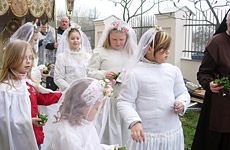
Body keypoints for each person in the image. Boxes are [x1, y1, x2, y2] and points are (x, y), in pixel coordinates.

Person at [117, 26, 190, 150]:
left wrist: (181, 103)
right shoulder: (135, 73)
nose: (168, 52)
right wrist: (134, 121)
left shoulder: (173, 70)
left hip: (171, 131)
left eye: (168, 48)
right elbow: (124, 101)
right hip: (147, 135)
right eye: (163, 49)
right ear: (149, 49)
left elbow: (183, 93)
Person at [0, 40, 62, 150]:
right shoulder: (6, 90)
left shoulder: (28, 83)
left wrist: (65, 95)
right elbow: (4, 120)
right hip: (19, 142)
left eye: (30, 57)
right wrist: (29, 121)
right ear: (11, 59)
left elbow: (43, 98)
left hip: (36, 137)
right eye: (23, 58)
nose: (28, 62)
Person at [87, 20, 137, 146]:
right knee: (108, 133)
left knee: (125, 133)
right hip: (107, 102)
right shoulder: (100, 52)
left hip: (126, 99)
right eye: (114, 39)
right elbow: (89, 72)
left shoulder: (131, 53)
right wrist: (104, 74)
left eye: (121, 39)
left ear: (127, 38)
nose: (118, 43)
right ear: (108, 37)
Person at [191, 11, 230, 150]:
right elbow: (203, 73)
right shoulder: (217, 42)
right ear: (227, 23)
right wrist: (210, 84)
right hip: (220, 105)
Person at [50, 78, 120, 150]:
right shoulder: (68, 134)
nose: (100, 113)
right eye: (97, 108)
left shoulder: (84, 123)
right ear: (82, 105)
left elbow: (93, 146)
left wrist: (111, 148)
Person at [54, 25, 92, 91]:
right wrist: (71, 88)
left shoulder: (88, 56)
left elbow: (91, 74)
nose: (75, 41)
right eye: (72, 38)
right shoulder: (62, 57)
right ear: (67, 39)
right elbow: (58, 78)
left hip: (85, 91)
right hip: (68, 92)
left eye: (78, 38)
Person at [43, 16, 70, 91]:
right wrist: (53, 45)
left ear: (68, 23)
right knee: (53, 84)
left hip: (65, 61)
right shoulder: (53, 31)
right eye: (63, 21)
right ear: (59, 22)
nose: (64, 23)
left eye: (66, 22)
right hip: (54, 60)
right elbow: (44, 43)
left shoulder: (70, 33)